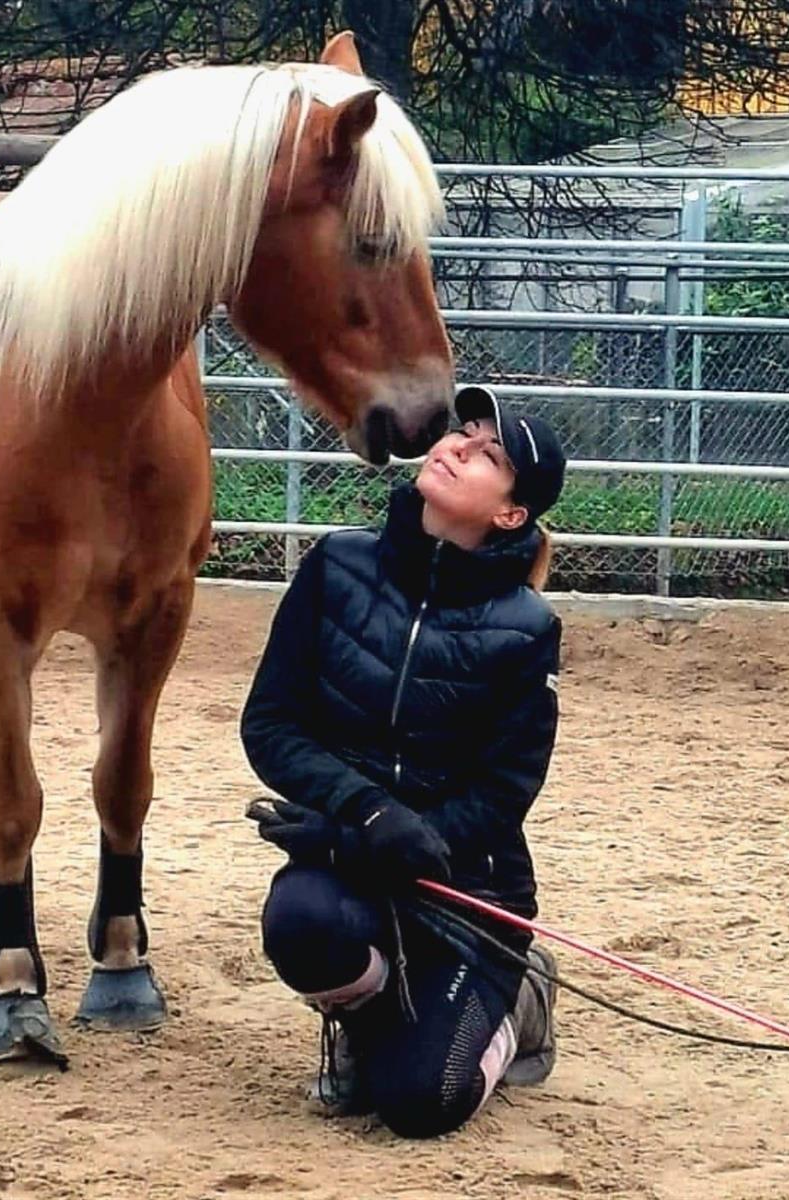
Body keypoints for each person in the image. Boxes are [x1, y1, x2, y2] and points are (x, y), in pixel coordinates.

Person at [241, 384, 567, 1138]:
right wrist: (365, 816)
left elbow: (505, 789)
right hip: (350, 861)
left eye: (488, 454)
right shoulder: (336, 565)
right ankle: (367, 1024)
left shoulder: (528, 629)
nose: (455, 445)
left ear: (510, 514)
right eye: (462, 433)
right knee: (300, 921)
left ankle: (522, 1001)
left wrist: (415, 836)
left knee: (422, 1104)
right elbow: (272, 725)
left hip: (467, 890)